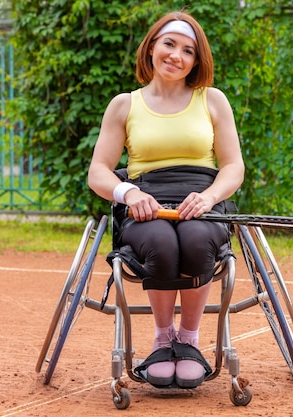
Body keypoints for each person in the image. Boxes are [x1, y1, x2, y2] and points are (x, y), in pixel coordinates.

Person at [87, 11, 245, 389]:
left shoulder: (213, 100)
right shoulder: (124, 105)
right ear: (152, 47)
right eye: (169, 44)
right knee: (159, 241)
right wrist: (129, 192)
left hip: (201, 199)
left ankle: (188, 340)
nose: (177, 55)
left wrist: (209, 198)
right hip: (146, 200)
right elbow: (98, 172)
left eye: (188, 50)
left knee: (194, 239)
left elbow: (234, 167)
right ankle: (162, 339)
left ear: (196, 60)